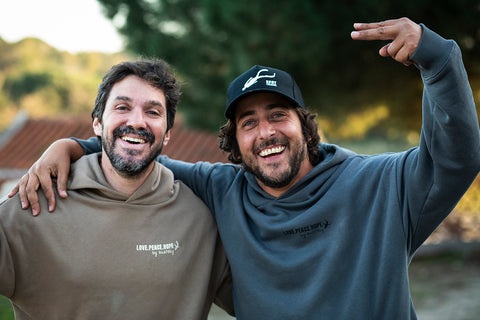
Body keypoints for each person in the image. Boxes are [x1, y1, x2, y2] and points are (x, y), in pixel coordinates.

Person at [10, 18, 480, 319]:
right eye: (248, 122)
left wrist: (437, 61)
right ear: (234, 141)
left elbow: (455, 159)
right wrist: (70, 145)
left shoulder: (380, 185)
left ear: (305, 125)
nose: (266, 132)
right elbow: (139, 149)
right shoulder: (220, 189)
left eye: (279, 115)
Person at [1, 59, 233, 319]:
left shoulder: (201, 220)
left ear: (167, 133)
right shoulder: (33, 201)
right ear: (97, 124)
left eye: (153, 112)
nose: (136, 122)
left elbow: (266, 298)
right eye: (122, 107)